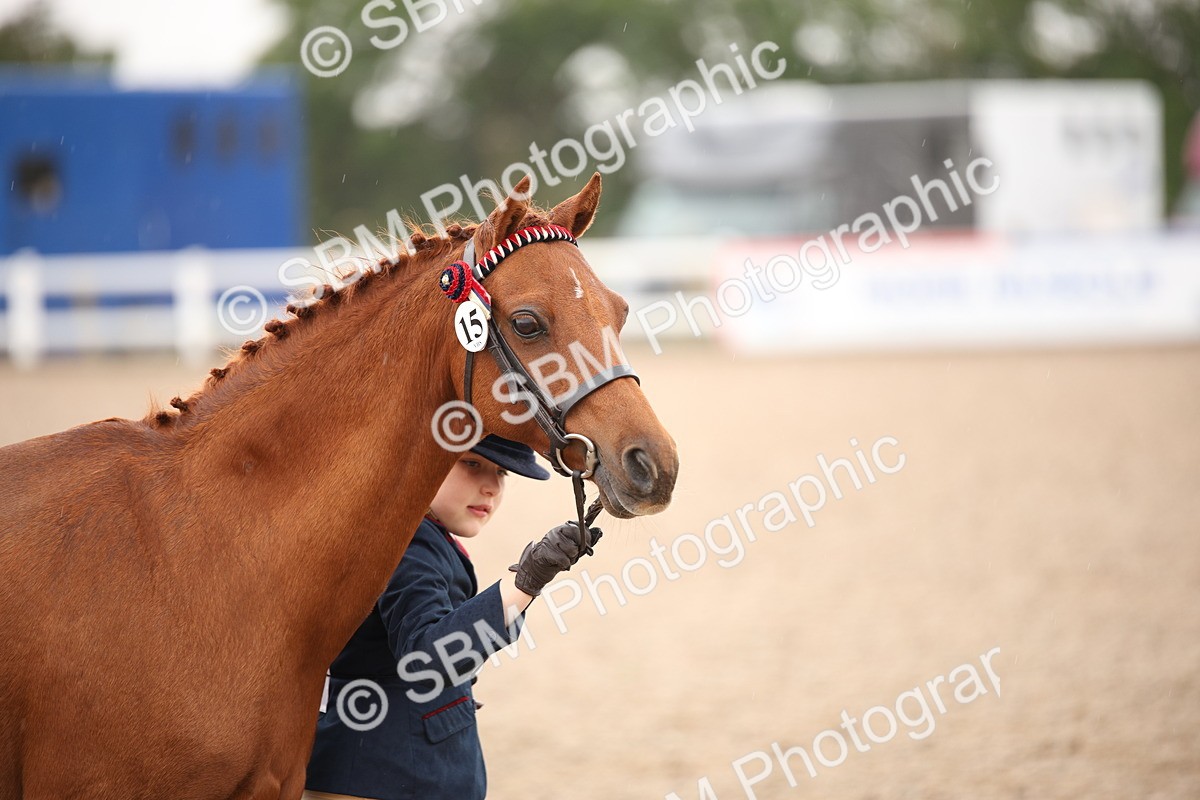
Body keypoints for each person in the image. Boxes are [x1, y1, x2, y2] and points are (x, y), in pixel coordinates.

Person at [304, 434, 601, 800]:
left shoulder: (414, 534)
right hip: (385, 775)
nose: (491, 486)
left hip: (379, 770)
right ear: (422, 460)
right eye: (472, 464)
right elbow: (427, 658)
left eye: (502, 472)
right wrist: (526, 581)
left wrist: (523, 591)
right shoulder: (410, 541)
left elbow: (452, 649)